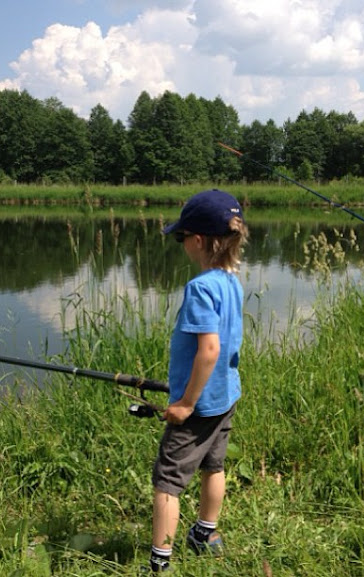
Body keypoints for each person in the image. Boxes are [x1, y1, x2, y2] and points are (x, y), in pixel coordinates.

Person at [147, 188, 249, 573]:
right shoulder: (231, 282)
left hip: (199, 405)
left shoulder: (200, 288)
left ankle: (160, 563)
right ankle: (205, 533)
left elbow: (208, 350)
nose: (181, 244)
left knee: (168, 481)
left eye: (181, 237)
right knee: (214, 465)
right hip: (226, 397)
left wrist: (186, 402)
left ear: (199, 240)